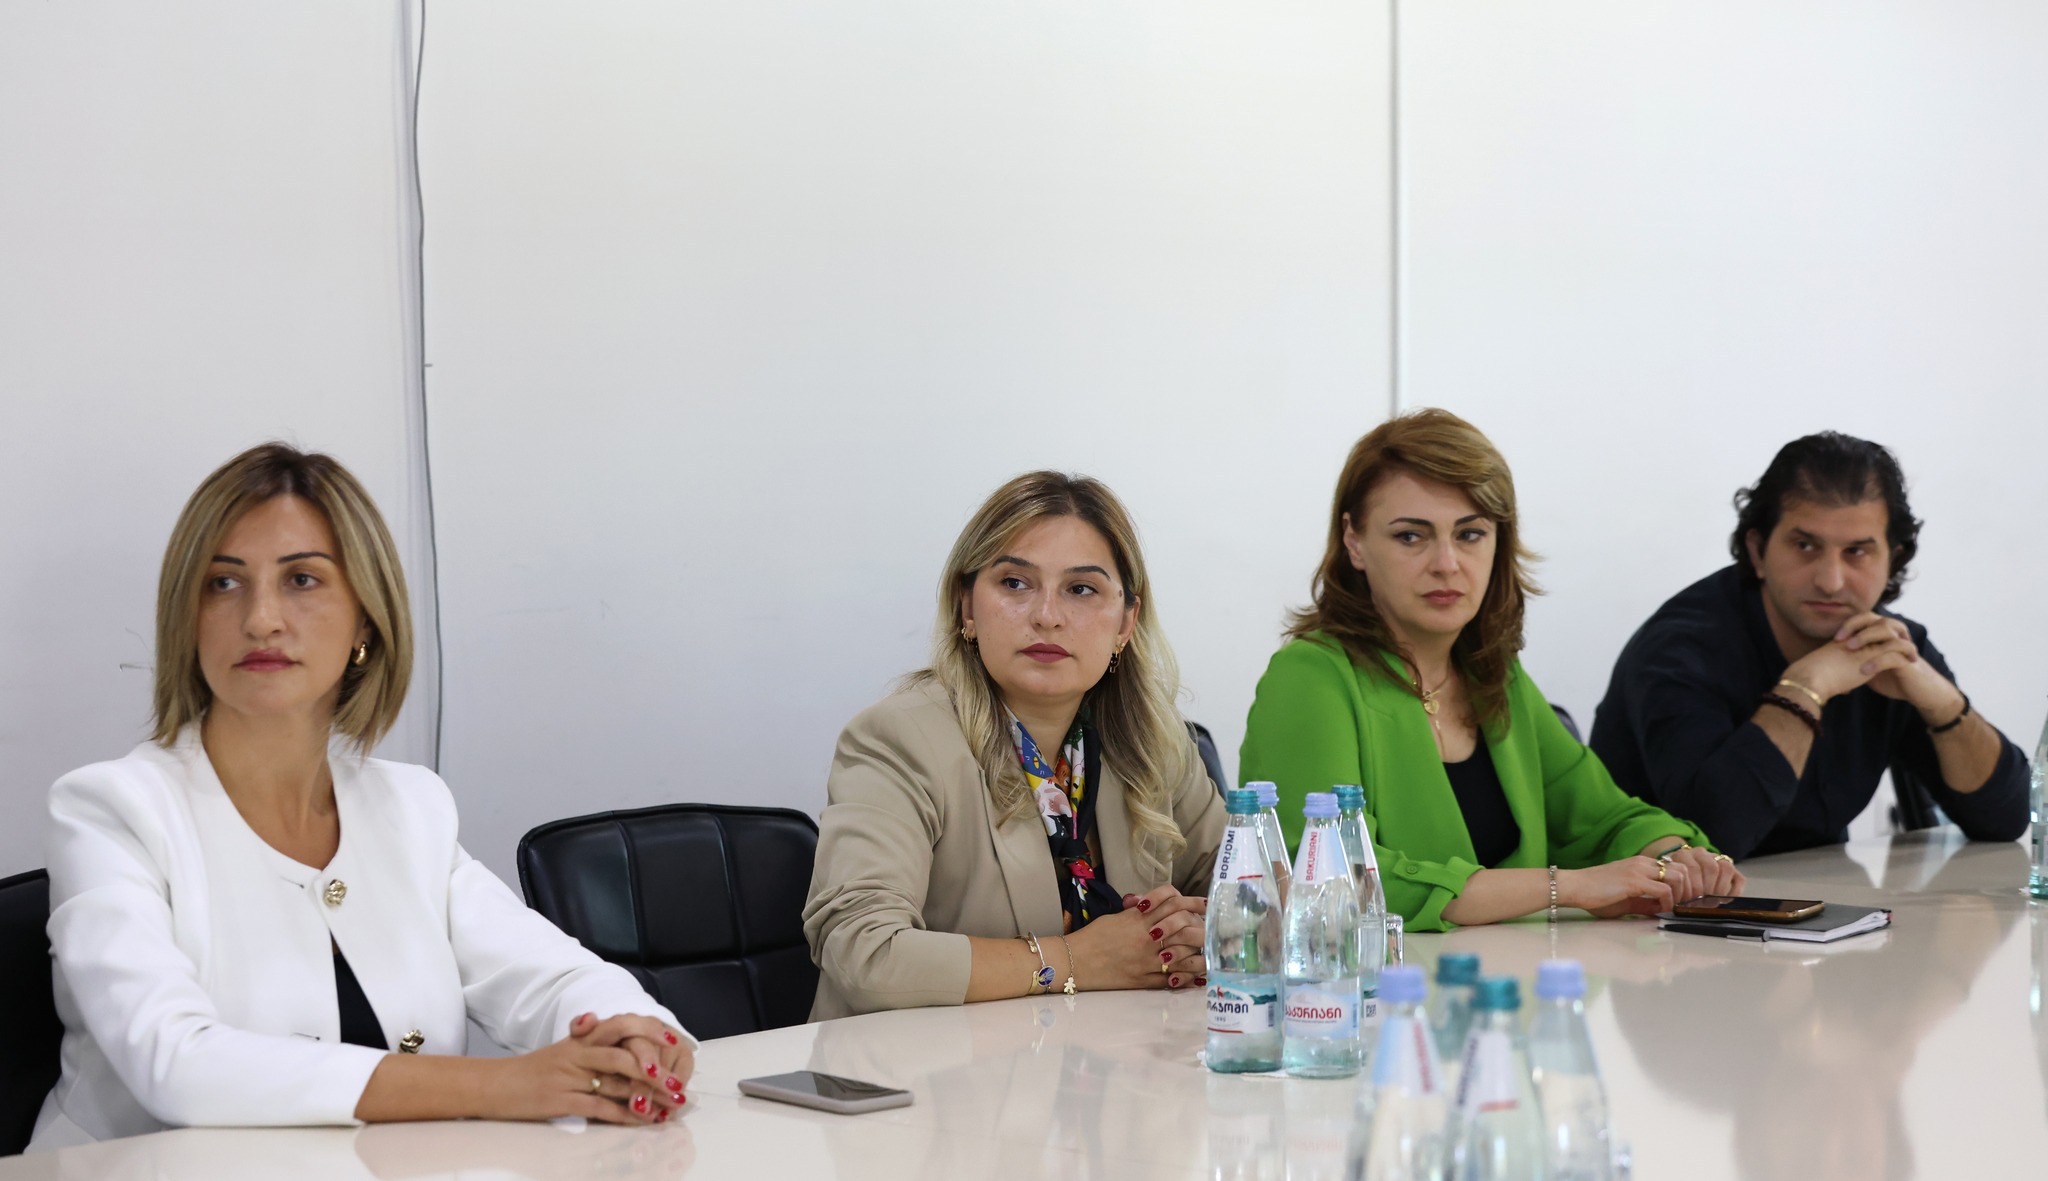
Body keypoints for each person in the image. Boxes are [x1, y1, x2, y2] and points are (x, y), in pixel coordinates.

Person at [31, 444, 692, 1150]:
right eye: (223, 583)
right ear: (187, 618)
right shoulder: (111, 810)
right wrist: (505, 1085)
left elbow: (551, 978)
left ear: (366, 622)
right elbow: (176, 1064)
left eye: (302, 579)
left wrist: (634, 1037)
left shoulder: (410, 807)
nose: (261, 619)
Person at [1238, 410, 1742, 932]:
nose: (1447, 563)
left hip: (1512, 974)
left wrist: (1676, 857)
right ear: (1354, 542)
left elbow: (1604, 817)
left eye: (1470, 534)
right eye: (1410, 536)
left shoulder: (1494, 675)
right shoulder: (1310, 678)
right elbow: (1328, 879)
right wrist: (1565, 887)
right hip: (1378, 981)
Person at [803, 471, 1228, 1018]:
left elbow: (1259, 896)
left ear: (1126, 623)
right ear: (967, 607)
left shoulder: (1153, 742)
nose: (1047, 616)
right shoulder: (897, 739)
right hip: (917, 1067)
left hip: (1104, 1059)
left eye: (1081, 589)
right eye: (1014, 583)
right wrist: (1078, 961)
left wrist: (1200, 931)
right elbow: (864, 954)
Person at [1589, 432, 2030, 860]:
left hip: (1819, 900)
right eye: (1805, 546)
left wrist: (1944, 705)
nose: (1830, 581)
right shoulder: (1680, 649)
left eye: (1857, 552)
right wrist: (1807, 687)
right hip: (1654, 904)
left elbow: (2006, 819)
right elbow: (1711, 842)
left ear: (1892, 558)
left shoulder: (1888, 646)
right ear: (1758, 550)